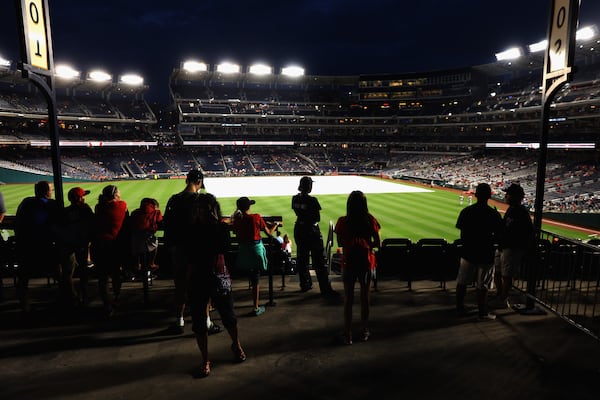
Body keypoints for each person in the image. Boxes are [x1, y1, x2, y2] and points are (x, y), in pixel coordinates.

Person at [188, 193, 246, 377]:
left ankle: (236, 344)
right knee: (199, 322)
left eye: (206, 208)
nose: (202, 212)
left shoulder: (217, 227)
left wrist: (218, 226)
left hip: (218, 275)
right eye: (200, 209)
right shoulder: (193, 229)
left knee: (229, 316)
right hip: (200, 276)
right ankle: (205, 358)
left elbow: (225, 247)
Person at [164, 169, 220, 334]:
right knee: (204, 286)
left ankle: (179, 321)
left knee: (180, 286)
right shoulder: (202, 200)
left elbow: (168, 225)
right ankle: (207, 322)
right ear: (200, 182)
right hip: (199, 249)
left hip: (179, 249)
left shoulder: (173, 200)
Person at [334, 191, 381, 345]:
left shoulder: (343, 221)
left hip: (349, 262)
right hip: (366, 262)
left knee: (348, 299)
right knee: (364, 298)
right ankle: (364, 330)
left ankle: (348, 334)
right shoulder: (370, 220)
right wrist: (366, 245)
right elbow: (378, 243)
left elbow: (340, 243)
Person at [455, 182, 503, 321]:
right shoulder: (493, 213)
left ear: (475, 195)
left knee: (462, 282)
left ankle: (459, 308)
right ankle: (482, 312)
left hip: (468, 252)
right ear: (489, 196)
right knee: (484, 285)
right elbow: (499, 234)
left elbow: (462, 234)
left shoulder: (466, 211)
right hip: (486, 253)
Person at [14, 181, 61, 312]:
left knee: (24, 277)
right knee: (60, 270)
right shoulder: (52, 204)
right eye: (51, 189)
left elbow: (19, 224)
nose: (51, 191)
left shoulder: (26, 203)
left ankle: (24, 302)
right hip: (45, 247)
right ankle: (66, 298)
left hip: (26, 247)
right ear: (47, 192)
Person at [232, 196, 278, 316]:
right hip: (255, 251)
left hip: (243, 252)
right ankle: (256, 307)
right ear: (249, 206)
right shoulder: (256, 217)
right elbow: (269, 233)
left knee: (251, 275)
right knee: (255, 278)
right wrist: (275, 225)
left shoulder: (237, 220)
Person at [291, 176, 336, 295]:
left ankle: (305, 284)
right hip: (311, 230)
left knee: (302, 258)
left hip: (299, 229)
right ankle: (325, 288)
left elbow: (298, 212)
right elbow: (317, 218)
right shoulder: (312, 200)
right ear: (309, 186)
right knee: (319, 260)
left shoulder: (294, 199)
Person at [91, 184, 128, 317]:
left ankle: (107, 305)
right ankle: (116, 298)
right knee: (116, 274)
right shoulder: (121, 205)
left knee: (103, 278)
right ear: (114, 195)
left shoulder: (98, 207)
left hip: (98, 245)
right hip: (113, 246)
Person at [494, 183, 535, 308]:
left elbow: (526, 232)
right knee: (498, 272)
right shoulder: (511, 209)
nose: (506, 196)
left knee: (507, 275)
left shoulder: (521, 212)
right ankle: (500, 294)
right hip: (503, 247)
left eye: (508, 194)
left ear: (516, 196)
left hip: (511, 248)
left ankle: (503, 298)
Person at [57, 187, 94, 306]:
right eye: (82, 196)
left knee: (68, 273)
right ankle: (84, 296)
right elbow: (91, 223)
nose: (84, 198)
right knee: (83, 271)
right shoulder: (85, 209)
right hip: (80, 243)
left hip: (67, 243)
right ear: (78, 198)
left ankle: (72, 296)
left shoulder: (64, 211)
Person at [130, 197, 163, 276]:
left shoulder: (135, 212)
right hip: (149, 239)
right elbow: (160, 223)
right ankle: (151, 263)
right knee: (155, 244)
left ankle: (137, 264)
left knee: (136, 242)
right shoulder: (156, 212)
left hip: (136, 240)